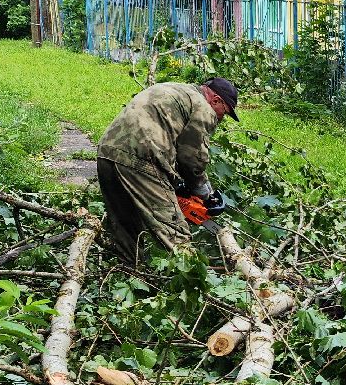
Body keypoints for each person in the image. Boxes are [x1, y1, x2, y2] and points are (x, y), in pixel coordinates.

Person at [95, 77, 239, 263]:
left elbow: (168, 136)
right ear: (216, 100)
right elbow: (192, 158)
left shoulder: (176, 90)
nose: (221, 118)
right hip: (141, 159)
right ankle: (192, 281)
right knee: (175, 234)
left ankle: (129, 274)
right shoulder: (203, 107)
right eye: (224, 113)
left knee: (125, 228)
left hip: (107, 152)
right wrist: (205, 194)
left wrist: (176, 182)